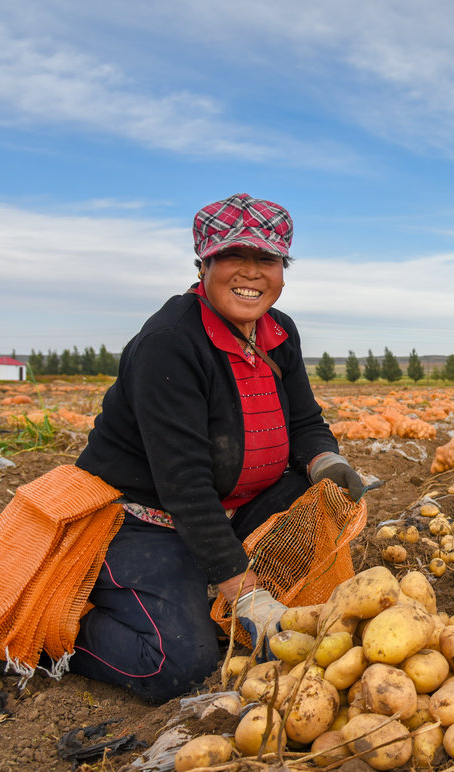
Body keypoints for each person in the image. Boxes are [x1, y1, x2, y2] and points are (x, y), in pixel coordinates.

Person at [67, 193, 364, 702]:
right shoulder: (171, 342)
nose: (250, 272)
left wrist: (325, 461)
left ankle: (216, 589)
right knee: (181, 663)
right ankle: (68, 629)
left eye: (266, 259)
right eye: (233, 256)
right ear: (204, 263)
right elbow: (183, 486)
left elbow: (304, 421)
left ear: (283, 269)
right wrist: (246, 594)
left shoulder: (278, 331)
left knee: (314, 503)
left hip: (230, 510)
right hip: (144, 520)